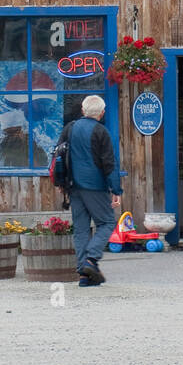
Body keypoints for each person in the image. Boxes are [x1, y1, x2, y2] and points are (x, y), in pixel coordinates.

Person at [55, 95, 121, 286]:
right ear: (102, 113)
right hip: (95, 186)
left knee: (81, 229)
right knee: (107, 222)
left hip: (73, 186)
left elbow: (59, 155)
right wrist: (115, 189)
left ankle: (84, 276)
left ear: (83, 111)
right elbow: (109, 164)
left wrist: (61, 182)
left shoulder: (70, 128)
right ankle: (91, 260)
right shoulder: (101, 132)